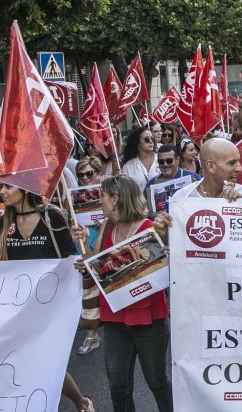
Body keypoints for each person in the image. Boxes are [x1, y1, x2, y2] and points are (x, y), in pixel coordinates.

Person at [0, 182, 95, 412]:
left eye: (8, 187)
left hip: (52, 304)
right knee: (31, 360)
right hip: (19, 306)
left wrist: (83, 244)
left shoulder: (52, 216)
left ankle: (80, 402)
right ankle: (75, 402)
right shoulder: (5, 221)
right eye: (0, 187)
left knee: (46, 360)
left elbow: (70, 257)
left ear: (24, 188)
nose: (3, 192)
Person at [73, 176, 172, 412]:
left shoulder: (149, 228)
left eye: (102, 197)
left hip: (149, 317)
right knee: (118, 387)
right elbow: (96, 265)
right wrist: (84, 254)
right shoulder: (108, 226)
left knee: (157, 382)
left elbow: (165, 265)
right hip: (115, 317)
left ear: (115, 199)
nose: (99, 202)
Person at [74, 156, 105, 356]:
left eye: (89, 174)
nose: (85, 178)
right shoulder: (72, 196)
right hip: (84, 243)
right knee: (88, 290)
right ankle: (92, 334)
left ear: (98, 173)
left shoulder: (109, 192)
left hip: (105, 242)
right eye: (81, 175)